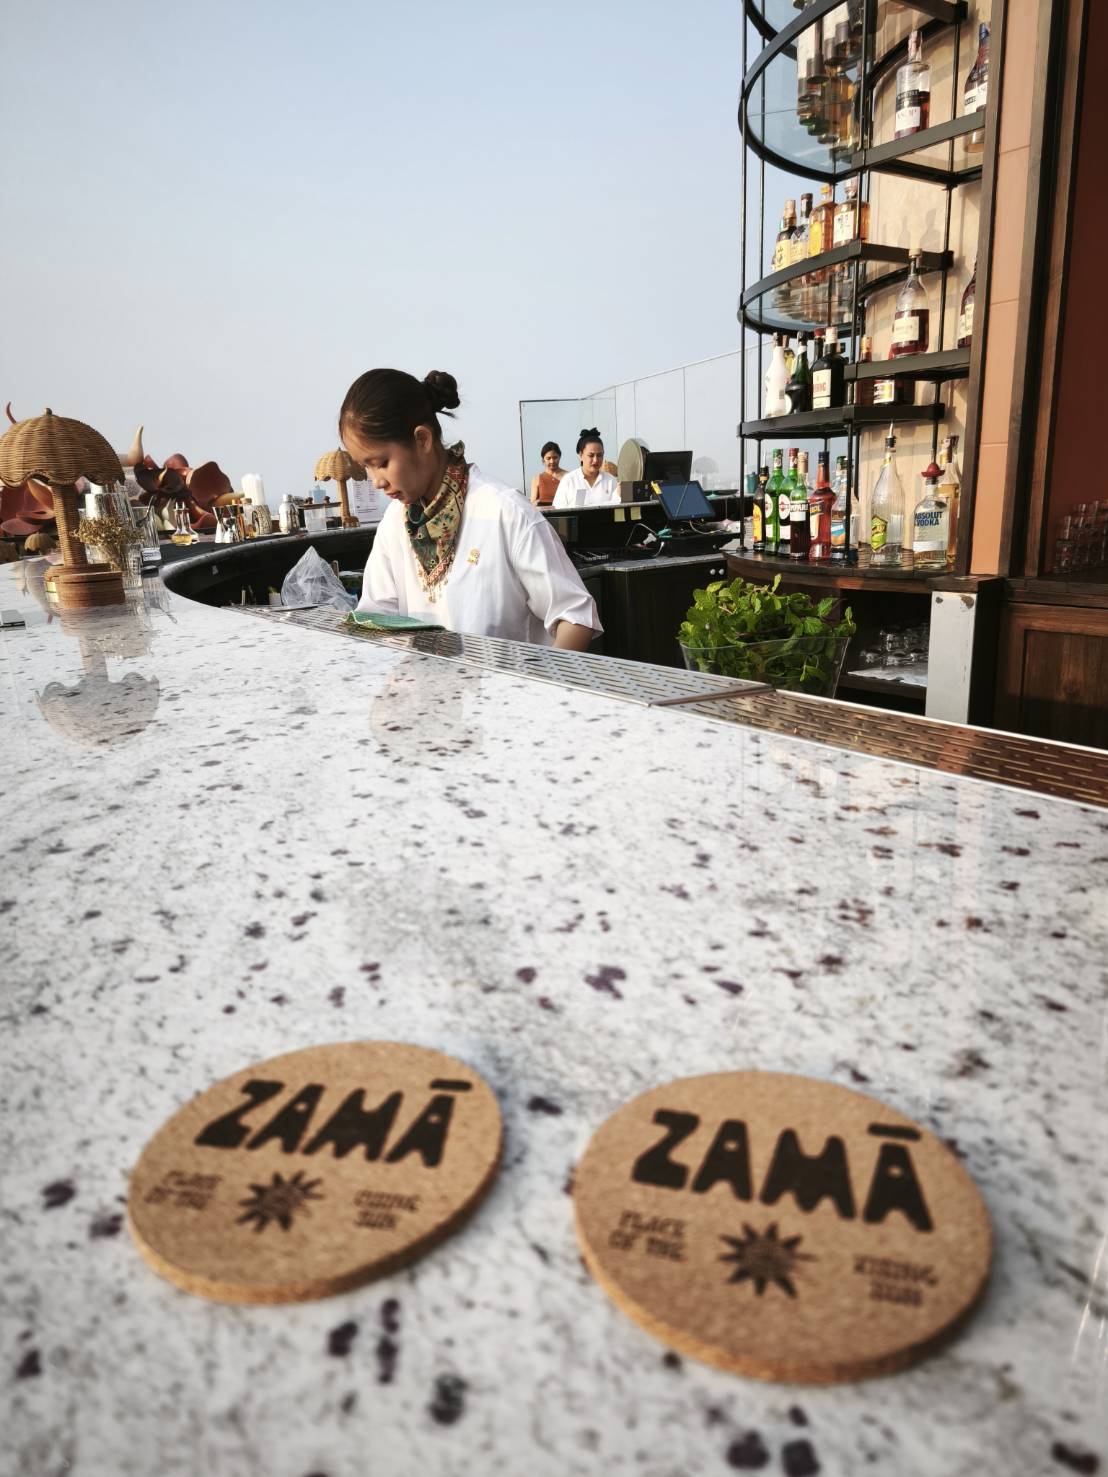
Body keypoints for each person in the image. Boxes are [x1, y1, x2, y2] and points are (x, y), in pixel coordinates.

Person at [340, 368, 600, 651]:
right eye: (366, 467)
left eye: (381, 463)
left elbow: (576, 617)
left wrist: (539, 679)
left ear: (422, 439)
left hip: (507, 679)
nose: (376, 481)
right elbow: (377, 615)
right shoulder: (394, 522)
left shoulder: (505, 512)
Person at [552, 429, 621, 509]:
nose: (595, 460)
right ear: (580, 455)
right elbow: (557, 510)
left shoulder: (611, 481)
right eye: (591, 455)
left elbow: (617, 509)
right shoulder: (569, 480)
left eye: (599, 455)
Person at [530, 442, 567, 507]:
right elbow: (532, 502)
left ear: (559, 458)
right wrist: (536, 503)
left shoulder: (568, 476)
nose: (552, 461)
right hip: (543, 512)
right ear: (543, 460)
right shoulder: (537, 479)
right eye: (548, 458)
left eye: (555, 458)